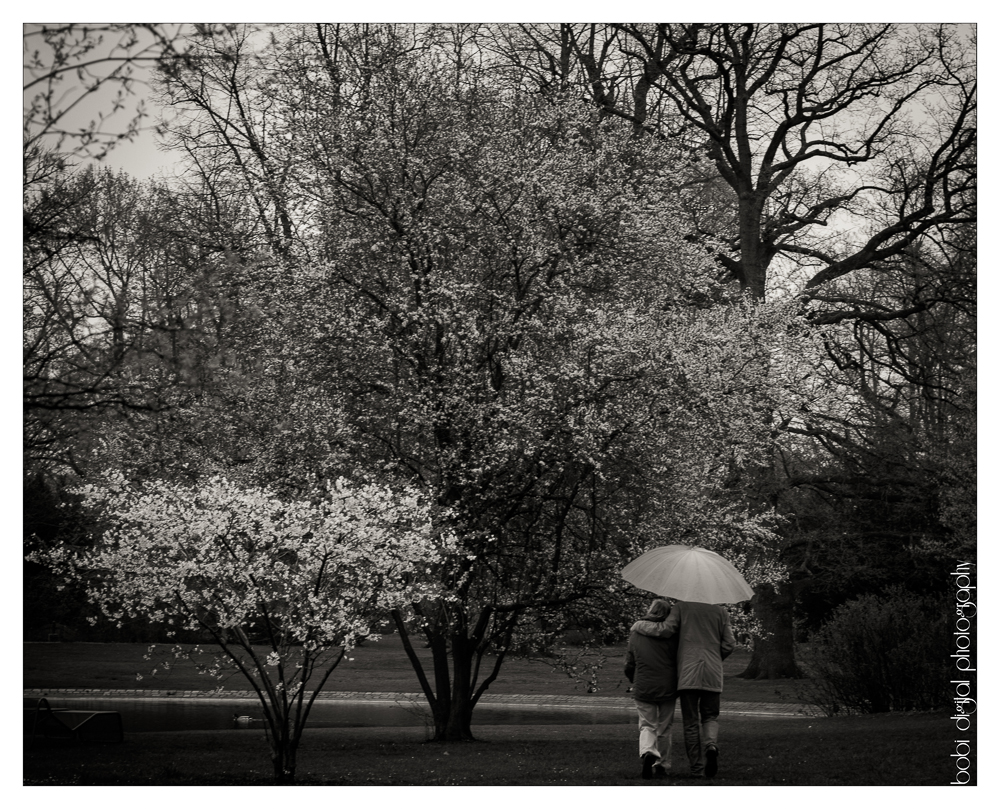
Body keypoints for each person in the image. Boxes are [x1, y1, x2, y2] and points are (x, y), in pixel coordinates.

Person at [630, 600, 736, 778]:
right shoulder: (721, 612)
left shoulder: (681, 608)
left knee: (691, 723)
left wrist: (639, 625)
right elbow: (729, 644)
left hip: (688, 673)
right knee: (710, 716)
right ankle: (711, 746)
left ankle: (697, 769)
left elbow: (664, 630)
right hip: (713, 672)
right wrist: (715, 658)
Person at [624, 598, 679, 780]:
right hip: (667, 686)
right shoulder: (672, 634)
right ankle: (662, 764)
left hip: (644, 685)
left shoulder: (636, 632)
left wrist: (633, 679)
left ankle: (648, 751)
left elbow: (630, 662)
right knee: (664, 727)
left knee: (647, 725)